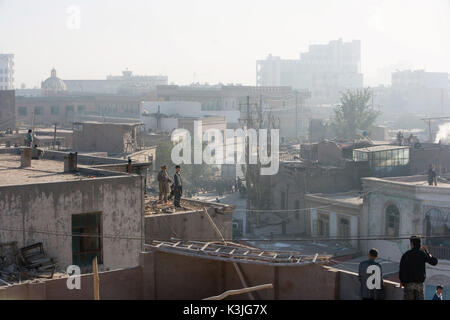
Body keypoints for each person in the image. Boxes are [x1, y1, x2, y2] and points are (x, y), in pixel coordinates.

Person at [399, 235, 438, 300]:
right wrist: (427, 252)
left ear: (411, 244)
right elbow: (434, 262)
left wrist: (403, 283)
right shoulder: (422, 254)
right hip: (419, 285)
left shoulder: (406, 255)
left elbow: (401, 270)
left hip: (408, 285)